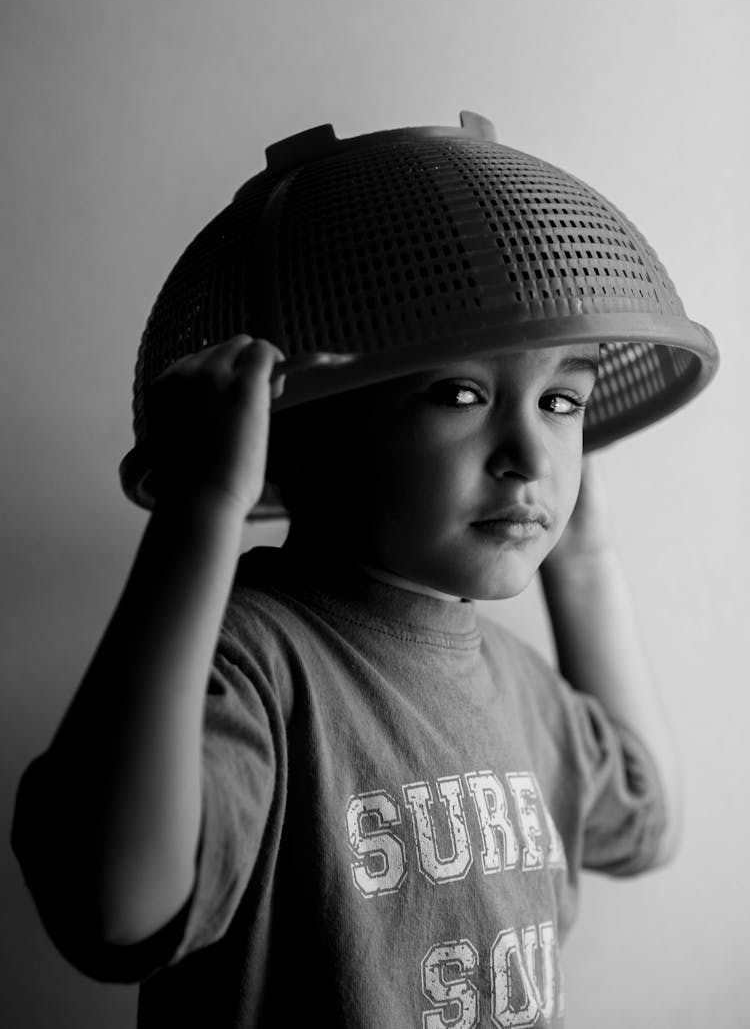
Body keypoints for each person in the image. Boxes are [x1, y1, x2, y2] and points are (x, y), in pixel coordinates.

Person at [11, 114, 716, 1027]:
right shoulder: (257, 663)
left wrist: (584, 555)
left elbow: (646, 821)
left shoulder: (516, 687)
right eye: (459, 393)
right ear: (297, 438)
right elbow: (111, 911)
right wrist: (201, 513)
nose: (529, 454)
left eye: (562, 401)